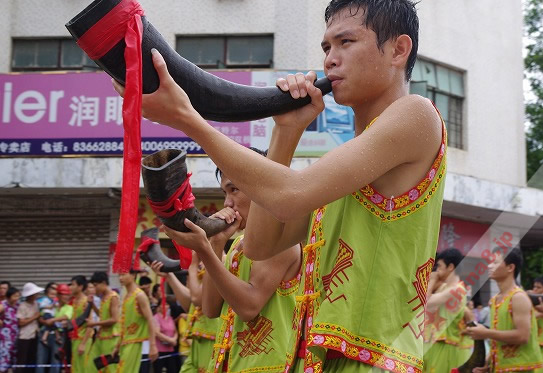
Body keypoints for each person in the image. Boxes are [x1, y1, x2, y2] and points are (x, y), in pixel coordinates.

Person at [115, 0, 445, 371]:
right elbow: (260, 244)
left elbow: (290, 197)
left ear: (399, 50)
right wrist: (286, 132)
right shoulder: (349, 165)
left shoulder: (416, 113)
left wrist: (187, 119)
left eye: (346, 42)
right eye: (326, 48)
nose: (330, 60)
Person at [160, 150, 301, 372]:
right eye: (225, 192)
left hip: (270, 366)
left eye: (234, 189)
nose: (227, 202)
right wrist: (215, 244)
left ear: (261, 185)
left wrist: (204, 251)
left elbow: (249, 306)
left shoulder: (281, 238)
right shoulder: (236, 245)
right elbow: (210, 308)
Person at [465, 248, 543, 372]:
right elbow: (500, 338)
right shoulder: (494, 300)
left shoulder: (518, 297)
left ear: (510, 267)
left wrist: (485, 333)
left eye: (495, 262)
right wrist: (488, 362)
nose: (490, 266)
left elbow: (523, 336)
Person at [423, 249, 473, 373]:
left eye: (439, 266)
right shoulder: (446, 288)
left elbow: (426, 304)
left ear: (450, 267)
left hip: (445, 346)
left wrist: (433, 279)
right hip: (435, 343)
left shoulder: (456, 290)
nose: (437, 270)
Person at [113, 268, 158, 373]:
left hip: (135, 343)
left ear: (133, 275)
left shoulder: (139, 295)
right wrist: (117, 346)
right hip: (126, 343)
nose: (120, 278)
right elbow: (124, 324)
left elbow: (150, 319)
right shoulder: (126, 296)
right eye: (119, 275)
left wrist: (153, 345)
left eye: (123, 274)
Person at [87, 272, 120, 373]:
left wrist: (94, 324)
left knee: (109, 368)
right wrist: (92, 304)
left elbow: (114, 319)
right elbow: (102, 316)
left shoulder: (113, 297)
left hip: (111, 338)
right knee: (91, 365)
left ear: (104, 283)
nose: (94, 289)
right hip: (101, 337)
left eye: (96, 286)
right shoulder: (103, 298)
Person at [16, 282, 43, 373]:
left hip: (34, 335)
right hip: (25, 336)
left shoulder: (36, 304)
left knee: (32, 359)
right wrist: (34, 317)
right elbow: (20, 322)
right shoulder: (22, 306)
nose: (36, 295)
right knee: (22, 360)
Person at [68, 276, 93, 373]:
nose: (70, 287)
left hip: (83, 339)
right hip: (74, 339)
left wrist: (83, 344)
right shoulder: (73, 301)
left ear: (80, 287)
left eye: (73, 284)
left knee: (83, 368)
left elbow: (90, 325)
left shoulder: (86, 302)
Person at [152, 300, 178, 373]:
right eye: (162, 304)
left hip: (170, 350)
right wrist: (170, 340)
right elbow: (157, 333)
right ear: (159, 306)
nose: (165, 306)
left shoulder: (170, 318)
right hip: (160, 350)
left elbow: (175, 331)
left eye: (166, 304)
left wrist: (174, 339)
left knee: (173, 370)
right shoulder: (156, 318)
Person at [0, 287, 20, 373]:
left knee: (14, 359)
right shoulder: (3, 305)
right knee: (4, 359)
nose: (17, 298)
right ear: (8, 296)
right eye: (15, 296)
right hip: (5, 338)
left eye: (18, 296)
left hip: (15, 336)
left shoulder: (18, 306)